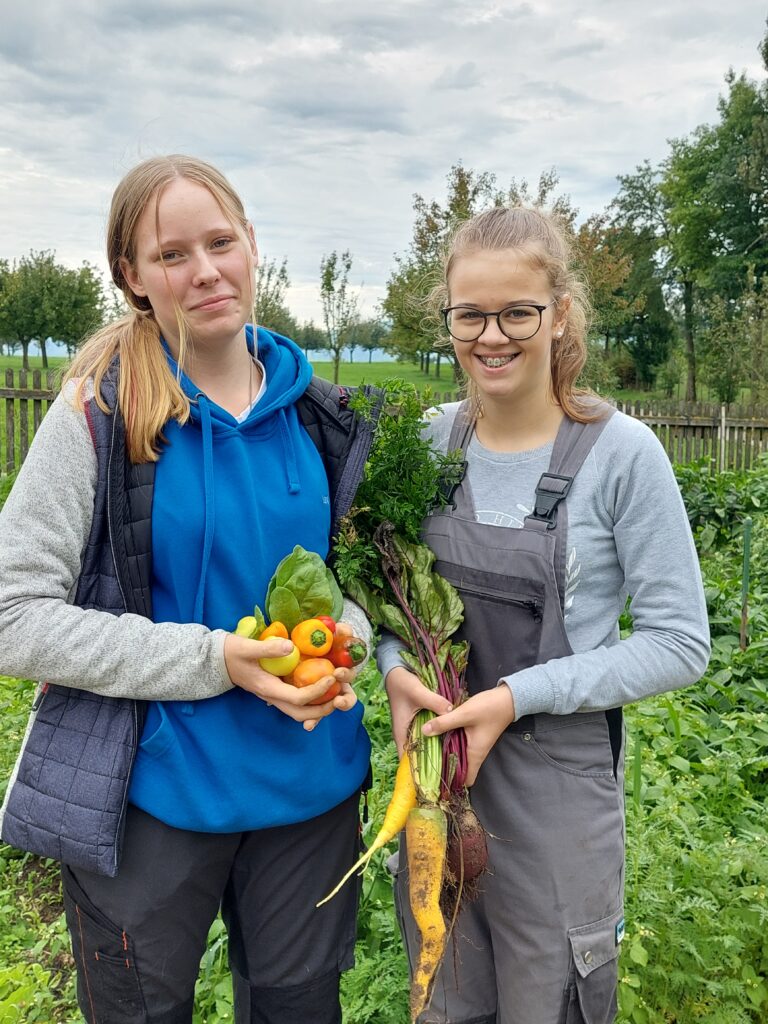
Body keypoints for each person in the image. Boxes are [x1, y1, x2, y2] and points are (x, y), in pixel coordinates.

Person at [0, 154, 380, 1024]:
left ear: (252, 245)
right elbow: (12, 615)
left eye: (220, 242)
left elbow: (353, 584)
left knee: (296, 1011)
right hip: (153, 798)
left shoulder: (325, 419)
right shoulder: (99, 414)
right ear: (133, 278)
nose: (205, 270)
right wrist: (214, 659)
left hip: (308, 797)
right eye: (173, 255)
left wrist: (344, 638)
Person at [378, 206, 710, 1024]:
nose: (491, 335)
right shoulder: (426, 446)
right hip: (438, 791)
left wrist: (517, 695)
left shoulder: (622, 455)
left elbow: (680, 643)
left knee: (551, 1002)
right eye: (469, 314)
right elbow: (381, 595)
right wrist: (391, 667)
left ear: (559, 313)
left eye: (517, 311)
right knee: (443, 999)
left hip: (556, 795)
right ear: (447, 318)